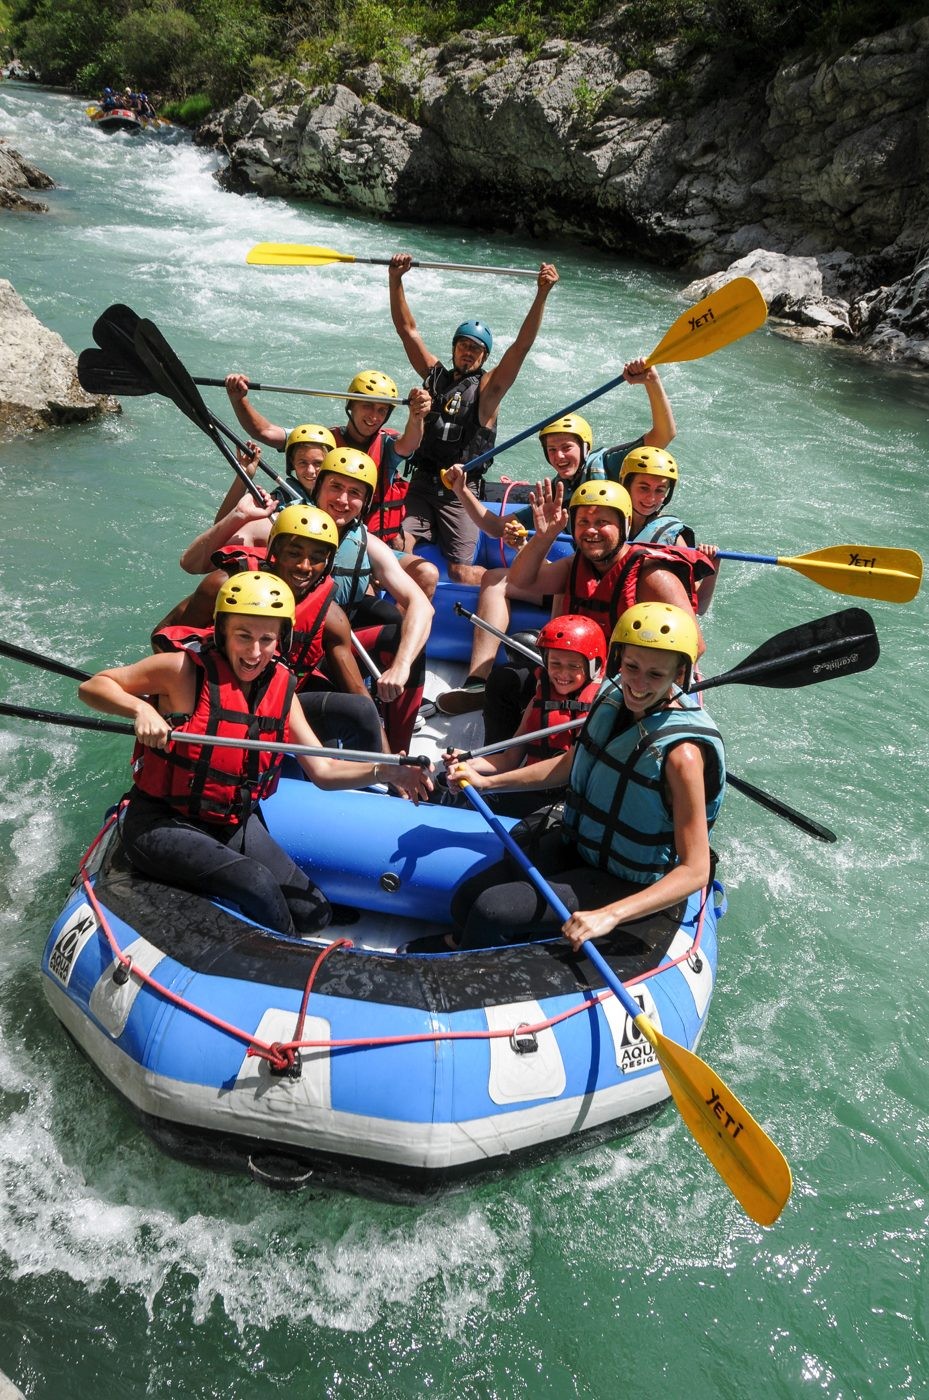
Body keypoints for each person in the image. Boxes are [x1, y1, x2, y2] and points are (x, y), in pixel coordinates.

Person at [78, 573, 432, 938]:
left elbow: (324, 770)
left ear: (282, 639)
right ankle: (289, 958)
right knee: (256, 882)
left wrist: (388, 772)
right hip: (160, 820)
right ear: (221, 632)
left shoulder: (282, 689)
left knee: (315, 914)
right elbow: (93, 686)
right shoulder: (181, 671)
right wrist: (142, 710)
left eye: (267, 639)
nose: (255, 652)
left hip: (229, 820)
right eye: (243, 636)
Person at [444, 602, 724, 951]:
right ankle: (459, 943)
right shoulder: (611, 699)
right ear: (618, 658)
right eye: (632, 666)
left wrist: (610, 914)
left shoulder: (682, 755)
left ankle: (473, 966)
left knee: (491, 911)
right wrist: (488, 781)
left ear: (679, 675)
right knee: (466, 899)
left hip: (626, 879)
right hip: (581, 844)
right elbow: (569, 764)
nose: (637, 683)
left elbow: (695, 869)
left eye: (655, 675)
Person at [434, 373, 677, 705]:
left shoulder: (607, 463)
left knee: (567, 585)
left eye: (567, 447)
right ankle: (478, 681)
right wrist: (461, 491)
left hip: (618, 574)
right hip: (579, 570)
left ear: (585, 447)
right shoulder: (555, 492)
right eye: (552, 450)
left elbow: (664, 435)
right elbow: (495, 527)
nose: (560, 455)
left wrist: (650, 380)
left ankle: (552, 684)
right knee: (494, 579)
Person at [439, 476, 713, 729]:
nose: (591, 531)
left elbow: (695, 646)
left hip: (626, 684)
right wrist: (544, 537)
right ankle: (498, 766)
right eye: (583, 523)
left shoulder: (654, 577)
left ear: (625, 526)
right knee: (506, 680)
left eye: (602, 522)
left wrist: (634, 689)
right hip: (577, 673)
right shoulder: (575, 565)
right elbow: (522, 581)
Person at [388, 252, 560, 583]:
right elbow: (407, 330)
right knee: (397, 544)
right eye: (463, 345)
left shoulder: (488, 390)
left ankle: (522, 583)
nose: (468, 352)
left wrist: (541, 294)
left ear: (484, 357)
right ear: (454, 348)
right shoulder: (435, 377)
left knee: (460, 571)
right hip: (421, 486)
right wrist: (396, 279)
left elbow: (521, 347)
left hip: (460, 495)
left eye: (476, 349)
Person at [224, 369, 437, 596]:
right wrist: (239, 400)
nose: (374, 416)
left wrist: (417, 417)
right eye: (367, 405)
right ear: (351, 405)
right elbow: (265, 431)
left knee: (427, 574)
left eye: (381, 410)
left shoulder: (387, 445)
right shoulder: (321, 442)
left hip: (371, 543)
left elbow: (410, 443)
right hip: (322, 541)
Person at [312, 446, 434, 753]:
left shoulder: (368, 542)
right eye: (335, 487)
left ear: (366, 502)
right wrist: (239, 516)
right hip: (298, 654)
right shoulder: (282, 526)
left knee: (401, 635)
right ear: (318, 487)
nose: (342, 501)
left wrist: (402, 666)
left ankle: (398, 751)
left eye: (354, 493)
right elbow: (194, 564)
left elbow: (422, 606)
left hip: (338, 648)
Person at [440, 615, 606, 820]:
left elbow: (566, 766)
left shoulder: (600, 707)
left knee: (531, 833)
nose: (563, 673)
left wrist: (487, 783)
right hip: (531, 792)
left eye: (574, 666)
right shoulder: (541, 696)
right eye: (555, 663)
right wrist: (469, 762)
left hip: (569, 802)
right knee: (454, 797)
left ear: (593, 665)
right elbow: (509, 758)